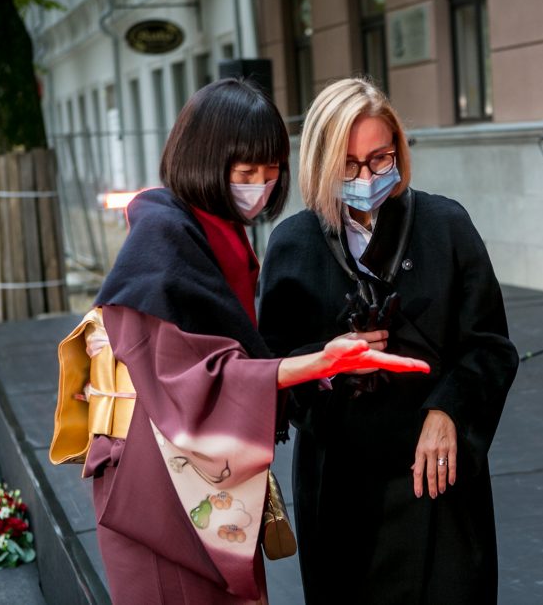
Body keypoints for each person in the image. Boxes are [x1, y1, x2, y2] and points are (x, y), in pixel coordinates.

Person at [73, 79, 429, 605]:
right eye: (245, 175)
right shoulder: (162, 239)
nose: (260, 189)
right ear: (203, 162)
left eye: (270, 173)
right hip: (160, 490)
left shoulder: (214, 228)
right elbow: (194, 380)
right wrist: (316, 363)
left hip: (195, 476)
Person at [258, 77, 519, 604]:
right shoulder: (293, 245)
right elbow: (272, 371)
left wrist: (448, 410)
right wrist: (325, 365)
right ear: (321, 164)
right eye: (350, 165)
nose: (367, 177)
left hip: (438, 481)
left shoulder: (445, 225)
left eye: (380, 159)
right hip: (341, 489)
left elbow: (491, 346)